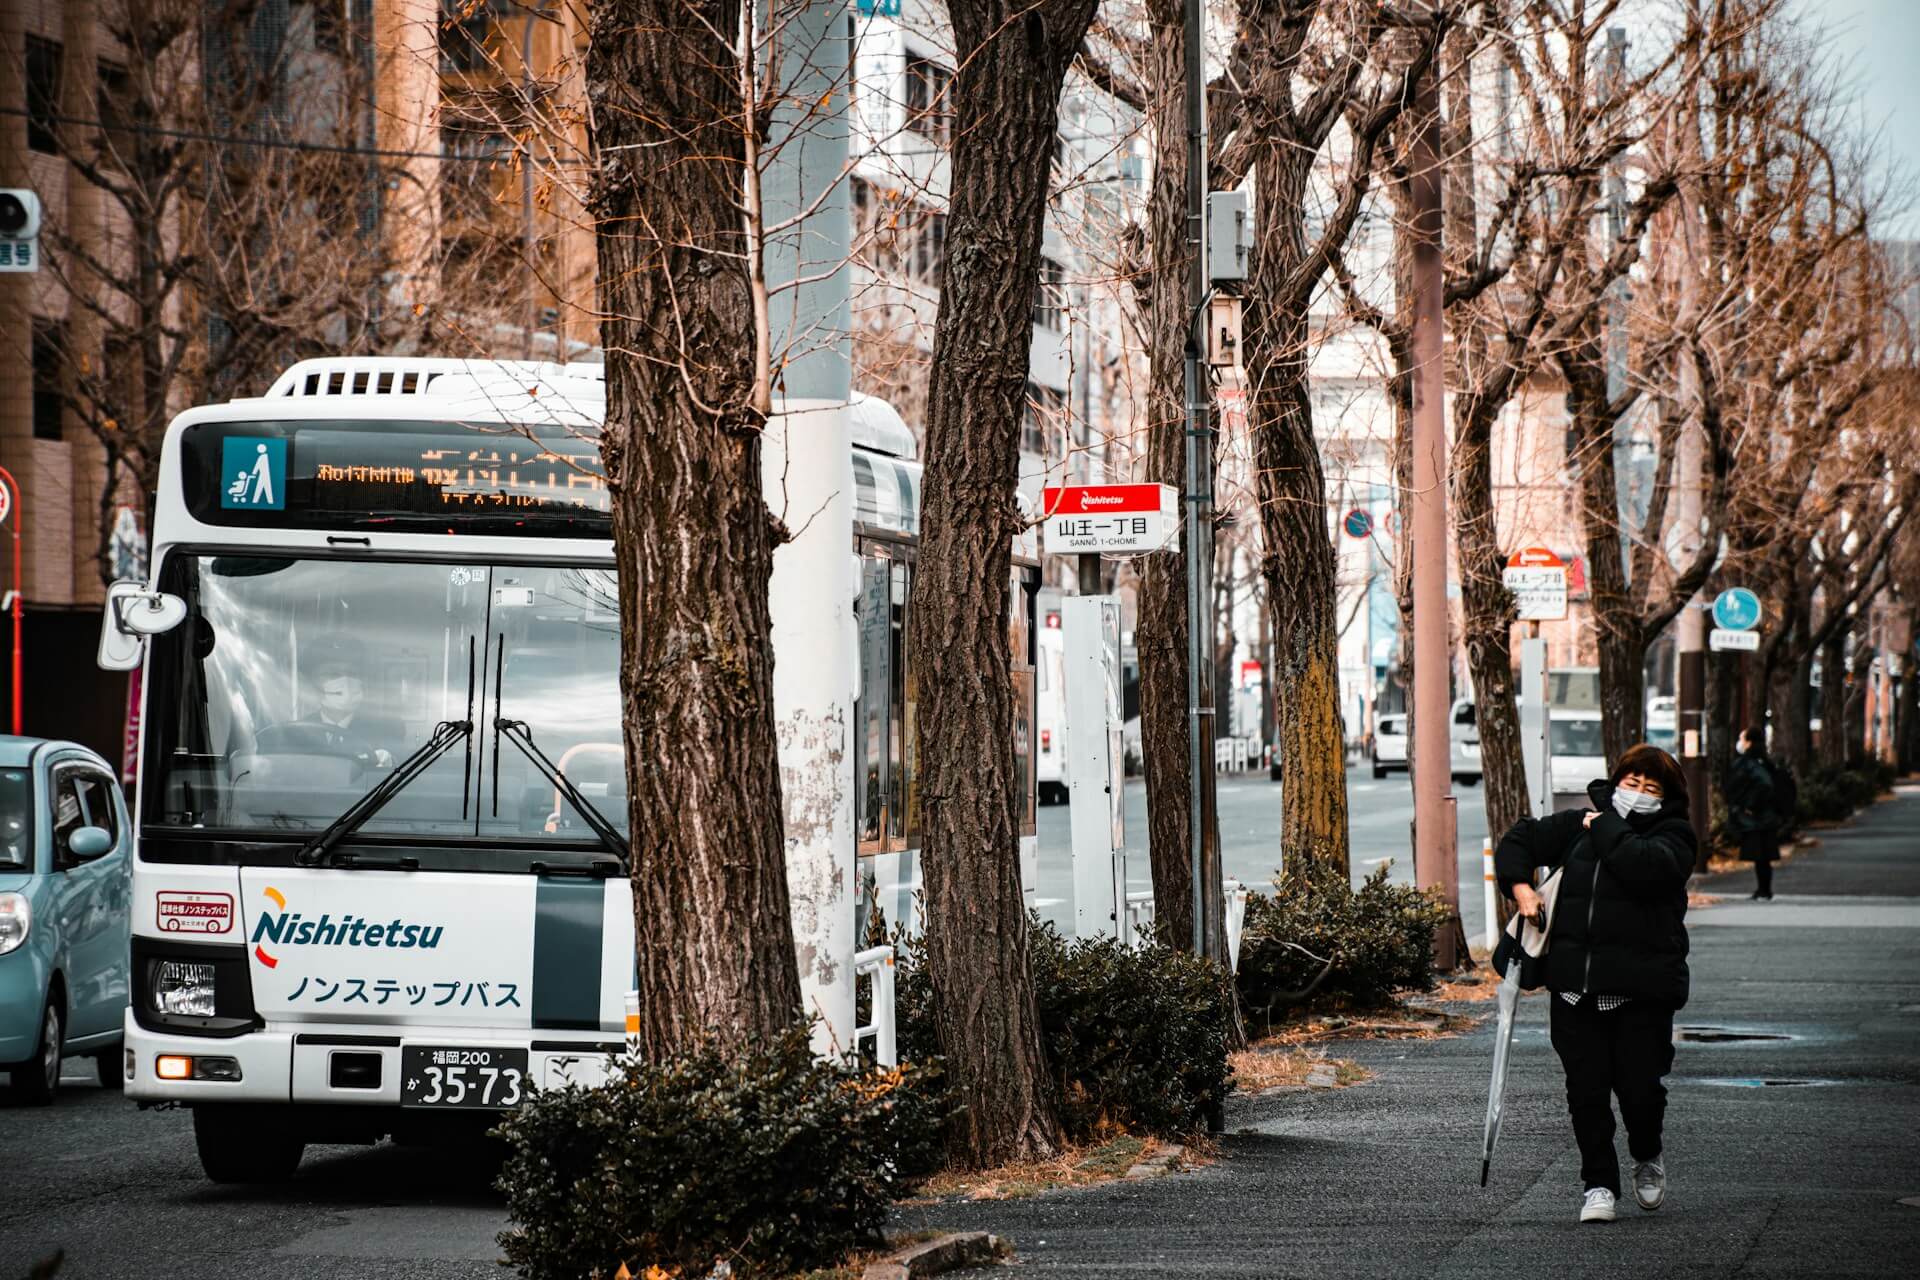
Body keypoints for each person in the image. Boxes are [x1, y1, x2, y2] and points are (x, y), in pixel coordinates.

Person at [1495, 743, 1695, 1225]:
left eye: (1651, 788)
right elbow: (1519, 841)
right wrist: (1522, 890)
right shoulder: (1575, 827)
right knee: (1586, 1094)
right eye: (1632, 782)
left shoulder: (1674, 836)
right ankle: (1598, 1184)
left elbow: (1644, 868)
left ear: (1666, 798)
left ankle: (1647, 1154)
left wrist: (1605, 823)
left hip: (1640, 994)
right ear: (1617, 780)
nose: (1639, 793)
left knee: (1639, 1092)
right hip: (1574, 989)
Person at [1725, 726, 1782, 900]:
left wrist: (1750, 806)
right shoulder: (1764, 761)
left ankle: (1763, 890)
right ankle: (1764, 889)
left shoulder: (1748, 763)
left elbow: (1763, 784)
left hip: (1757, 817)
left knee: (1760, 856)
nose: (1740, 742)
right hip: (1767, 816)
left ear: (1749, 742)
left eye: (1742, 739)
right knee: (1764, 857)